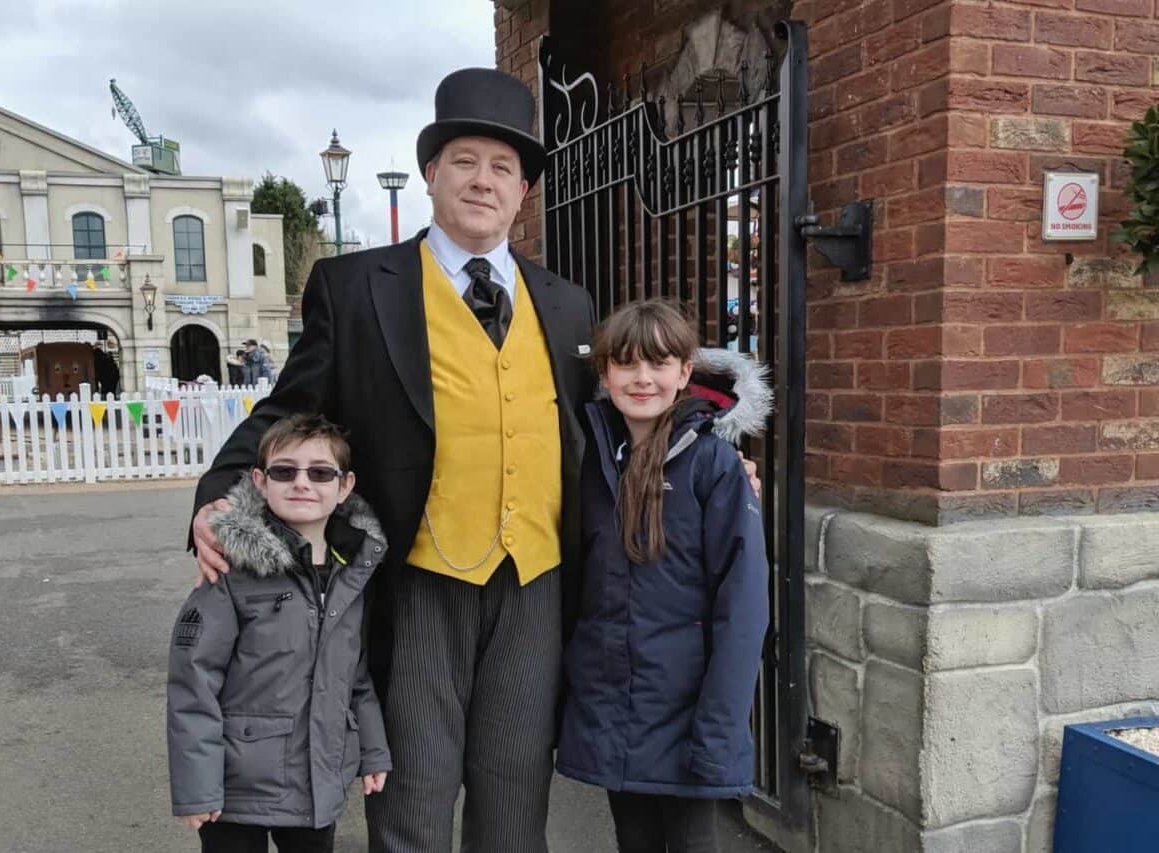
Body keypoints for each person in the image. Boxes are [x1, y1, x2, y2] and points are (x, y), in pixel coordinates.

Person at [188, 67, 758, 853]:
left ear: (524, 191)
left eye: (503, 168)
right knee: (413, 797)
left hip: (535, 585)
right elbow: (291, 409)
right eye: (465, 161)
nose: (483, 181)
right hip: (419, 582)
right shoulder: (356, 287)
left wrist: (708, 454)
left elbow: (620, 412)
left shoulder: (565, 304)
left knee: (515, 800)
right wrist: (218, 493)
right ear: (431, 173)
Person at [556, 300, 771, 853]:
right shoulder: (592, 458)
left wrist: (720, 727)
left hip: (688, 714)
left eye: (659, 363)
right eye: (627, 364)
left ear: (683, 373)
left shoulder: (715, 466)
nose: (643, 378)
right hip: (615, 713)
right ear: (605, 374)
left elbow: (742, 607)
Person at [168, 413, 391, 853]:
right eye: (284, 471)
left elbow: (356, 679)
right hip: (236, 789)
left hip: (317, 780)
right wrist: (196, 787)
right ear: (260, 481)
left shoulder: (352, 575)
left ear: (344, 486)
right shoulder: (231, 569)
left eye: (320, 472)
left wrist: (373, 750)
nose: (302, 483)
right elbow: (193, 683)